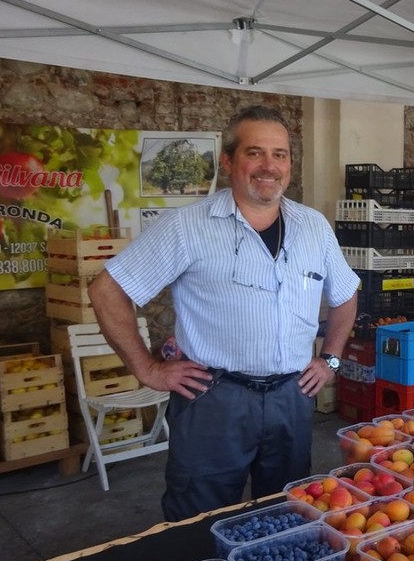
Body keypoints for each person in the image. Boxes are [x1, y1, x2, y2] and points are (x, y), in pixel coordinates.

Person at [89, 105, 358, 522]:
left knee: (285, 517)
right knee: (200, 522)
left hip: (292, 397)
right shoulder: (187, 227)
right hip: (214, 399)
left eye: (280, 155)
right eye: (256, 153)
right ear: (228, 161)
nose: (270, 166)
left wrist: (332, 359)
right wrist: (146, 368)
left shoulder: (314, 227)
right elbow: (108, 290)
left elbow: (345, 293)